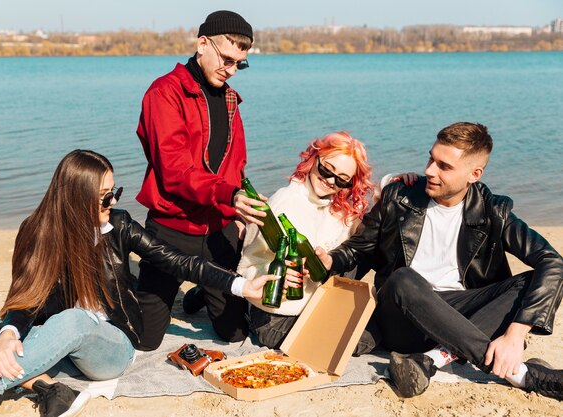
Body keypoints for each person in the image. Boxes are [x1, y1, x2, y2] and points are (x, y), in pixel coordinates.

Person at [0, 150, 277, 417]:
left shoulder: (119, 225)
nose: (113, 201)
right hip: (58, 344)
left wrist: (241, 286)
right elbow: (28, 298)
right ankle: (46, 387)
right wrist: (8, 336)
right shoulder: (37, 232)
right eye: (103, 197)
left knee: (72, 320)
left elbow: (178, 261)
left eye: (113, 192)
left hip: (111, 346)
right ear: (74, 199)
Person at [318, 122, 563, 400]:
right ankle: (521, 374)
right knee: (404, 278)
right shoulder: (398, 197)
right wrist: (330, 261)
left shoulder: (493, 211)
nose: (429, 171)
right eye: (431, 159)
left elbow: (553, 262)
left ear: (474, 174)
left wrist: (516, 334)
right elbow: (360, 250)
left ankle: (431, 360)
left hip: (461, 318)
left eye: (444, 166)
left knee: (530, 281)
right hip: (402, 317)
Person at [134, 10, 263, 347]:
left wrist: (239, 210)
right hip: (171, 231)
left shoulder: (231, 98)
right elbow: (175, 172)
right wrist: (231, 196)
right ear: (202, 43)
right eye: (227, 58)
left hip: (219, 231)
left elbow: (236, 166)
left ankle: (204, 294)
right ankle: (136, 280)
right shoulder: (164, 93)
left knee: (233, 335)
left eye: (240, 64)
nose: (232, 69)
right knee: (145, 339)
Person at [238, 131, 416, 349]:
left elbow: (365, 239)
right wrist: (275, 278)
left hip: (315, 302)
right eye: (326, 169)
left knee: (371, 247)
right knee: (367, 339)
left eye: (341, 179)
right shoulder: (285, 203)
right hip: (277, 318)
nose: (330, 181)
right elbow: (248, 264)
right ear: (314, 158)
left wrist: (390, 186)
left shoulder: (331, 203)